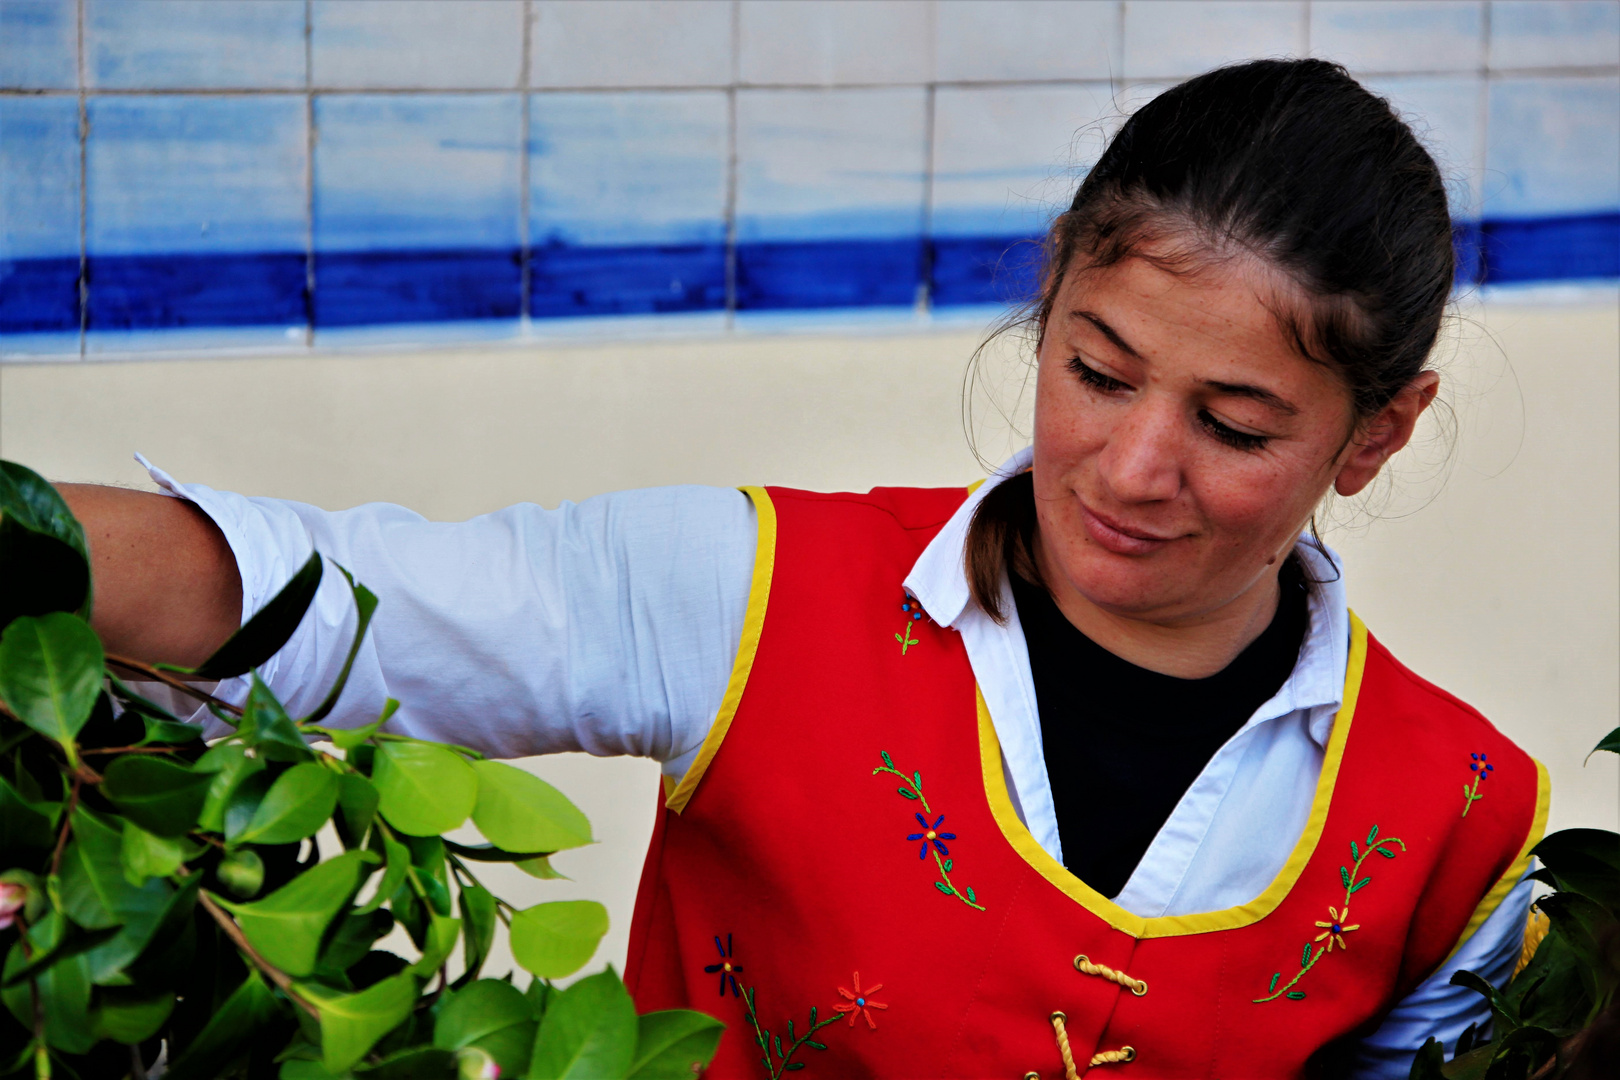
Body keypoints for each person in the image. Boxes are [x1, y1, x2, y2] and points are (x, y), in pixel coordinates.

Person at [63, 59, 1546, 1079]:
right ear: (1050, 296)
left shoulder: (1458, 817)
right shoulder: (758, 597)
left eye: (1233, 425)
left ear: (1377, 433)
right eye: (1097, 372)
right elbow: (327, 605)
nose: (1133, 466)